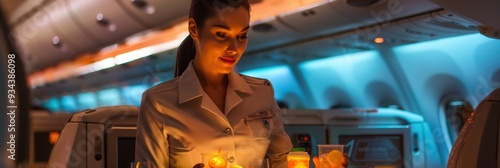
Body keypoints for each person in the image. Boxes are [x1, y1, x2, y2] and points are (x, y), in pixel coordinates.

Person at [135, 0, 292, 167]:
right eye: (221, 35)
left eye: (241, 36)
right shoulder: (159, 102)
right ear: (194, 29)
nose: (234, 48)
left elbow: (281, 159)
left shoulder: (262, 93)